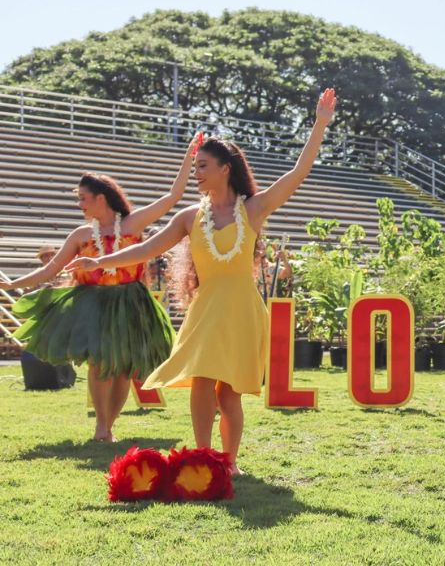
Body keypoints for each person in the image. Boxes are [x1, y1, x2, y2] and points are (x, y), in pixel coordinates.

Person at [68, 88, 338, 474]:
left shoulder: (254, 209)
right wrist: (101, 259)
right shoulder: (190, 217)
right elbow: (145, 251)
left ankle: (229, 463)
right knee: (202, 384)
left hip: (243, 309)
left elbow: (298, 173)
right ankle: (203, 457)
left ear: (225, 168)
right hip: (207, 308)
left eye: (203, 166)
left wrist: (320, 123)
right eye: (195, 167)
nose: (197, 173)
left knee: (229, 394)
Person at [1, 138, 196, 441]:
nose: (79, 204)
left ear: (100, 198)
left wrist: (188, 157)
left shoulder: (132, 224)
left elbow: (173, 196)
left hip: (130, 302)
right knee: (99, 363)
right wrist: (14, 284)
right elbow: (51, 269)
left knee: (122, 369)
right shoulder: (81, 235)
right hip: (93, 303)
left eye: (83, 198)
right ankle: (101, 428)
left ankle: (110, 425)